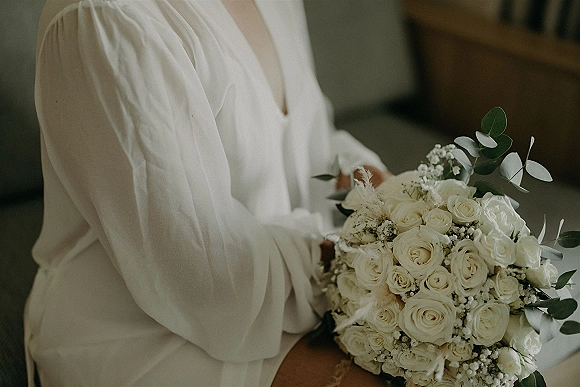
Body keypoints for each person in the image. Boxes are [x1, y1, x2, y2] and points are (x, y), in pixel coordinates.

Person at [24, 0, 390, 385]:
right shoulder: (106, 18)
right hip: (149, 317)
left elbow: (309, 136)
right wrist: (366, 260)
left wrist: (374, 188)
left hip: (286, 281)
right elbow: (201, 273)